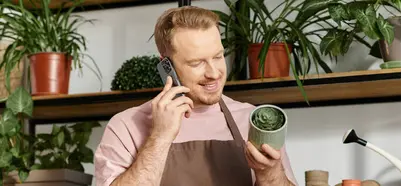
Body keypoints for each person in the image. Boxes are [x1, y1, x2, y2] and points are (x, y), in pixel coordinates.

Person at [93, 6, 297, 186]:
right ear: (167, 66)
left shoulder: (252, 121)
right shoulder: (126, 126)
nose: (214, 73)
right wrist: (160, 137)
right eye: (196, 63)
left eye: (217, 57)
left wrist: (270, 174)